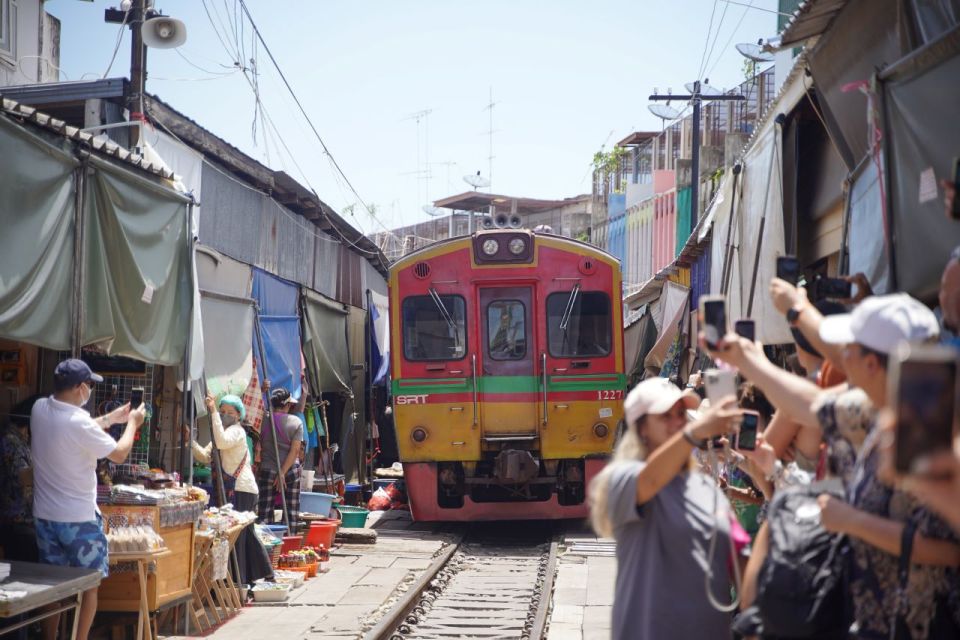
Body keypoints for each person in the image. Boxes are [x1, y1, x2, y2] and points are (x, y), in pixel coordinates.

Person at [711, 294, 960, 638]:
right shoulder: (871, 410)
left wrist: (853, 521)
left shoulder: (940, 432)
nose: (841, 356)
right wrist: (748, 361)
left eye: (850, 349)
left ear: (872, 364)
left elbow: (949, 550)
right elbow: (811, 404)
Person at [588, 377, 743, 640]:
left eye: (681, 414)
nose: (677, 422)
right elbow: (650, 480)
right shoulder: (622, 477)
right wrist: (694, 434)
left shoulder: (705, 487)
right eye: (665, 416)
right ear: (642, 428)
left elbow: (739, 556)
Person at [31, 359, 145, 640]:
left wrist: (108, 419)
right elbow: (119, 453)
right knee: (90, 587)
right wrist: (131, 423)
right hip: (79, 519)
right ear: (81, 387)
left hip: (45, 516)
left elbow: (71, 429)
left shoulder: (39, 409)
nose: (90, 390)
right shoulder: (80, 423)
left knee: (53, 588)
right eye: (90, 385)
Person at [189, 392, 272, 588]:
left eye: (229, 412)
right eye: (222, 410)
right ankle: (260, 575)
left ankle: (241, 579)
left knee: (239, 533)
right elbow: (204, 455)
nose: (225, 414)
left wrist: (213, 412)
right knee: (243, 532)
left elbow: (222, 441)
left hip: (242, 489)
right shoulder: (221, 432)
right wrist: (190, 441)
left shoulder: (236, 431)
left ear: (238, 415)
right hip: (232, 488)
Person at [0, 395, 42, 562]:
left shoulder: (17, 439)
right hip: (17, 520)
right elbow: (23, 477)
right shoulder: (11, 441)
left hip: (18, 520)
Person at [256, 387, 304, 525]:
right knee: (291, 512)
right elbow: (295, 451)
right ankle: (290, 542)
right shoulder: (296, 422)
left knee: (264, 512)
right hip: (290, 471)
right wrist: (282, 472)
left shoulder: (263, 418)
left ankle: (266, 544)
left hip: (268, 470)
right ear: (287, 405)